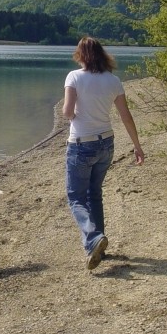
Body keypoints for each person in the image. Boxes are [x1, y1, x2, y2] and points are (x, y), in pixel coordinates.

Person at [62, 36, 145, 270]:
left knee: (76, 197)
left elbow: (67, 112)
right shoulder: (113, 80)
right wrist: (137, 147)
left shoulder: (74, 77)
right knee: (94, 194)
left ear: (80, 55)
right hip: (106, 143)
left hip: (81, 144)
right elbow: (126, 116)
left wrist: (74, 112)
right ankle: (99, 249)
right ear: (102, 54)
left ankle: (93, 239)